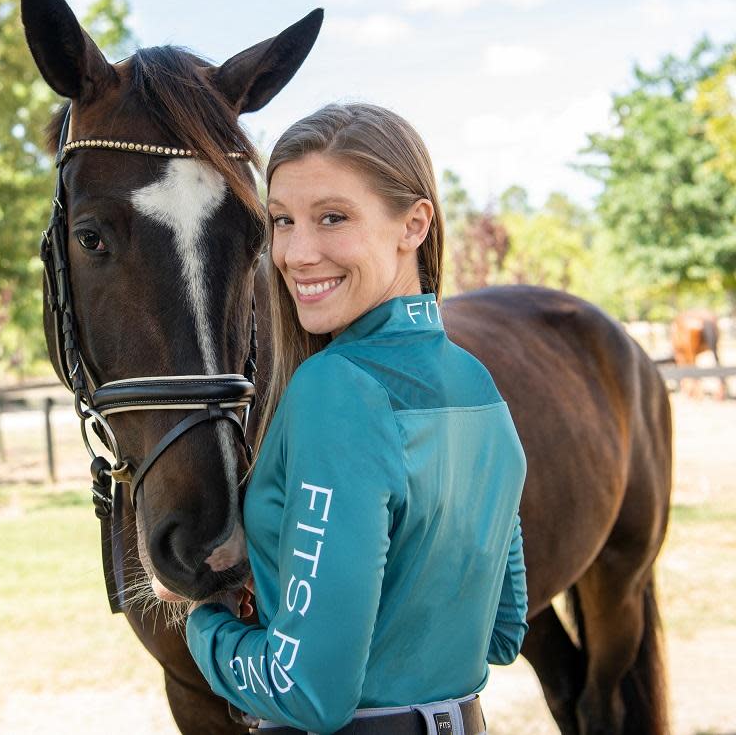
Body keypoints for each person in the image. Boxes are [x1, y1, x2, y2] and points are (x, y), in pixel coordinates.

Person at [185, 103, 528, 735]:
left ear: (414, 224)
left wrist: (204, 625)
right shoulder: (476, 381)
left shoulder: (334, 387)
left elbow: (305, 691)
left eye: (332, 218)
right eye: (282, 221)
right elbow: (502, 630)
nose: (296, 253)